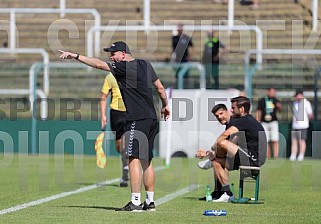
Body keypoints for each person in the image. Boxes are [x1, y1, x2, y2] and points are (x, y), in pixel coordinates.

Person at [59, 41, 170, 212]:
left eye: (113, 53)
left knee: (132, 158)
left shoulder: (123, 67)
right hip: (151, 118)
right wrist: (165, 105)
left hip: (137, 119)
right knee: (146, 161)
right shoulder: (145, 64)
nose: (111, 57)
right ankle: (150, 202)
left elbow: (97, 64)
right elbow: (160, 88)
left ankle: (135, 202)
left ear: (123, 54)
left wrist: (75, 56)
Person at [196, 96, 267, 202]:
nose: (231, 110)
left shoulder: (244, 120)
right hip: (245, 155)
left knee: (222, 142)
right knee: (217, 162)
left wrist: (207, 152)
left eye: (233, 108)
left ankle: (211, 159)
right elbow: (231, 144)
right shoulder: (240, 122)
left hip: (253, 158)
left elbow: (225, 137)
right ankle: (224, 193)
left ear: (242, 109)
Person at [198, 104, 233, 201]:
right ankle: (218, 192)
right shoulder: (229, 124)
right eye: (217, 116)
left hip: (245, 156)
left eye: (221, 113)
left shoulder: (234, 123)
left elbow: (228, 145)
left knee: (218, 160)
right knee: (217, 159)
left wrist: (208, 153)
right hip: (236, 154)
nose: (219, 117)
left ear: (227, 111)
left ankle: (226, 193)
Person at [100, 73, 129, 187]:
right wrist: (103, 115)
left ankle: (126, 173)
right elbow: (103, 96)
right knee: (119, 145)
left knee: (127, 142)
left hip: (130, 111)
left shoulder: (131, 74)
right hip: (116, 113)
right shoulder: (110, 77)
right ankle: (125, 164)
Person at [256, 87, 282, 159]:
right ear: (268, 91)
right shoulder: (263, 100)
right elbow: (259, 110)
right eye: (272, 91)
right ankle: (268, 155)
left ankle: (276, 156)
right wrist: (258, 120)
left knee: (275, 139)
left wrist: (279, 107)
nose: (273, 93)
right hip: (264, 122)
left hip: (273, 121)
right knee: (266, 140)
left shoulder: (276, 100)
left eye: (274, 92)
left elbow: (280, 110)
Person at [290, 90, 313, 161]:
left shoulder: (306, 103)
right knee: (294, 141)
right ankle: (293, 155)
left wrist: (304, 121)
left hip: (303, 126)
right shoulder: (295, 103)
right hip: (295, 126)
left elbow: (310, 115)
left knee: (302, 141)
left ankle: (301, 155)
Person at [171, 24, 193, 89]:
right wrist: (172, 57)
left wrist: (190, 56)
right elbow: (172, 48)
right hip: (177, 60)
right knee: (177, 75)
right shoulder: (174, 38)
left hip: (185, 59)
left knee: (185, 75)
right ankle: (177, 87)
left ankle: (186, 87)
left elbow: (192, 47)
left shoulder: (186, 38)